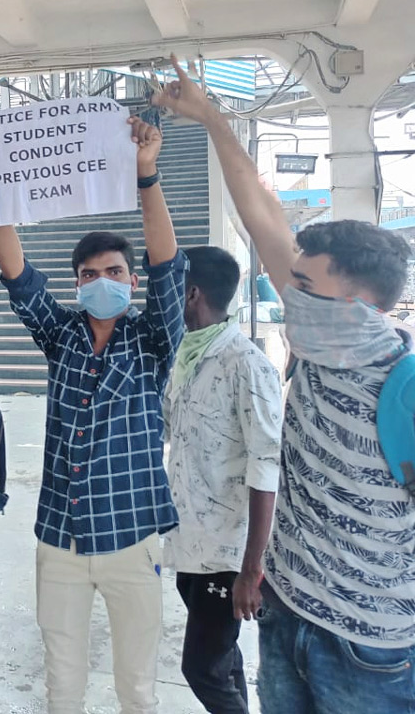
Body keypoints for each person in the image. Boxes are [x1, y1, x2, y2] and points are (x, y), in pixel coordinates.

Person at [155, 54, 415, 714]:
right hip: (285, 620)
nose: (293, 296)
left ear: (362, 304)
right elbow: (261, 214)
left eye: (308, 288)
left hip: (371, 650)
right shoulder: (316, 353)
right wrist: (211, 119)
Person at [0, 116, 185, 714]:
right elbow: (17, 274)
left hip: (133, 540)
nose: (101, 282)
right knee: (62, 681)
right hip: (60, 542)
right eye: (88, 275)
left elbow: (169, 268)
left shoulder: (152, 340)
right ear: (76, 284)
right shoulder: (62, 337)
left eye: (113, 273)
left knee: (137, 687)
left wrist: (147, 175)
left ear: (131, 281)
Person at [163, 246, 283, 714]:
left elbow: (266, 467)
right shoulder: (187, 355)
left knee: (202, 668)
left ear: (191, 293)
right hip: (190, 540)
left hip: (229, 553)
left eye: (169, 285)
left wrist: (252, 568)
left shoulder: (246, 365)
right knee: (223, 659)